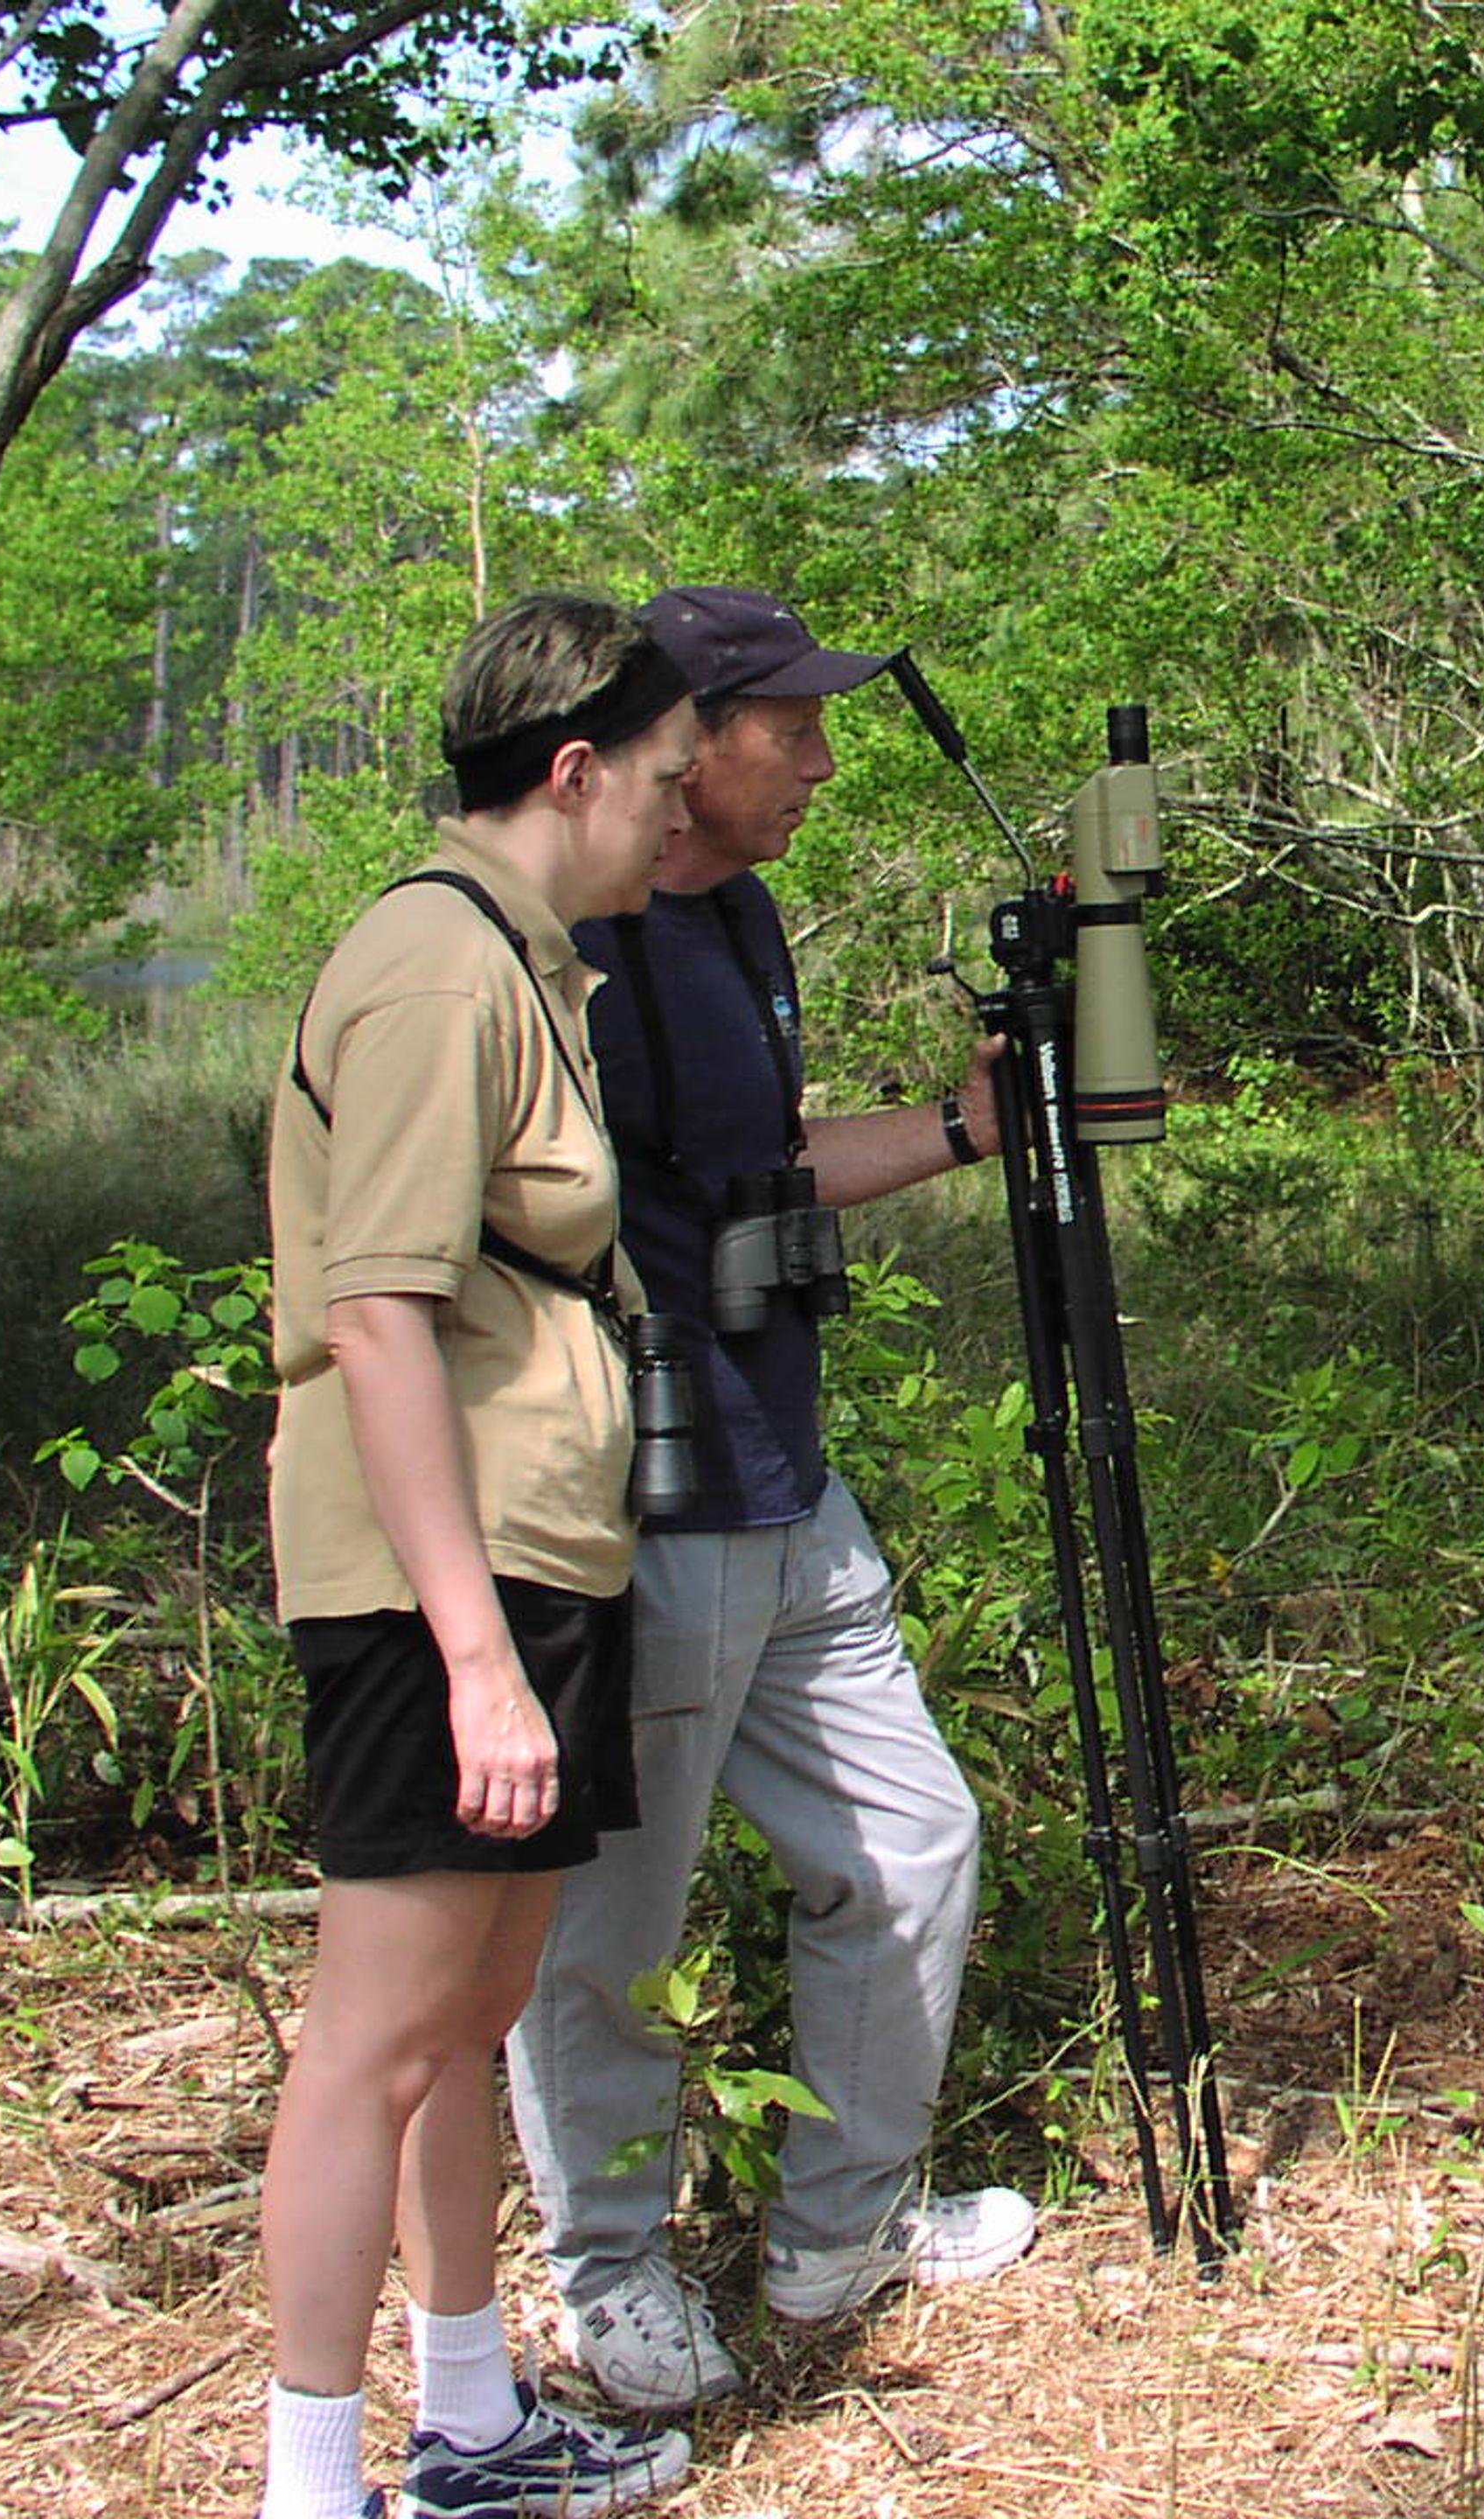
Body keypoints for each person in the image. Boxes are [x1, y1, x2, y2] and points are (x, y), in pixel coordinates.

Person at [506, 586, 1035, 2414]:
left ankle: (841, 2228)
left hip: (784, 1469)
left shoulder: (734, 909)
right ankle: (611, 2274)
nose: (817, 761)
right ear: (683, 738)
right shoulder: (574, 940)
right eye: (785, 729)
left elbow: (763, 1164)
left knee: (908, 1843)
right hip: (651, 1499)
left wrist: (973, 1131)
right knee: (613, 1932)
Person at [255, 592, 703, 2519]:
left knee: (469, 2016)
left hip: (534, 1555)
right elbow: (377, 1318)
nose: (683, 823)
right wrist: (472, 1656)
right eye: (669, 783)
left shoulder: (530, 965)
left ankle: (467, 2426)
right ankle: (309, 2484)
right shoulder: (434, 967)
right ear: (575, 768)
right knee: (373, 2038)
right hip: (436, 1582)